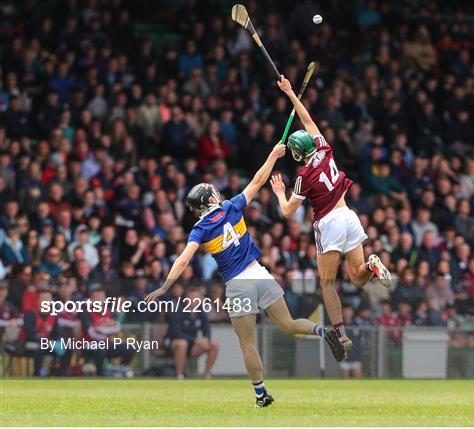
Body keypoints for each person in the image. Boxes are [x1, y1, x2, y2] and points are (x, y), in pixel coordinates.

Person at [145, 143, 343, 407]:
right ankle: (323, 330)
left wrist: (164, 287)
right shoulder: (232, 206)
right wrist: (273, 155)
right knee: (288, 323)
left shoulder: (200, 228)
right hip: (260, 274)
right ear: (212, 199)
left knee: (248, 344)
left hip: (238, 285)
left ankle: (261, 394)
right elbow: (258, 180)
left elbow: (183, 259)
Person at [270, 75, 391, 354]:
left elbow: (288, 212)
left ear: (298, 155)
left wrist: (278, 191)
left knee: (326, 282)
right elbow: (307, 118)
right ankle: (372, 263)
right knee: (359, 278)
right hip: (349, 215)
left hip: (329, 223)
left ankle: (341, 334)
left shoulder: (303, 176)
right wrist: (290, 93)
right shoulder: (324, 148)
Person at [164, 286, 218, 379]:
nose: (194, 300)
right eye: (192, 298)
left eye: (197, 298)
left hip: (192, 345)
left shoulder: (201, 312)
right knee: (182, 344)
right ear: (186, 299)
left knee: (214, 345)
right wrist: (195, 340)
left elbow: (206, 330)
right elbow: (176, 333)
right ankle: (180, 375)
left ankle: (206, 375)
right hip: (173, 343)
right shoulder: (178, 311)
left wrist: (206, 339)